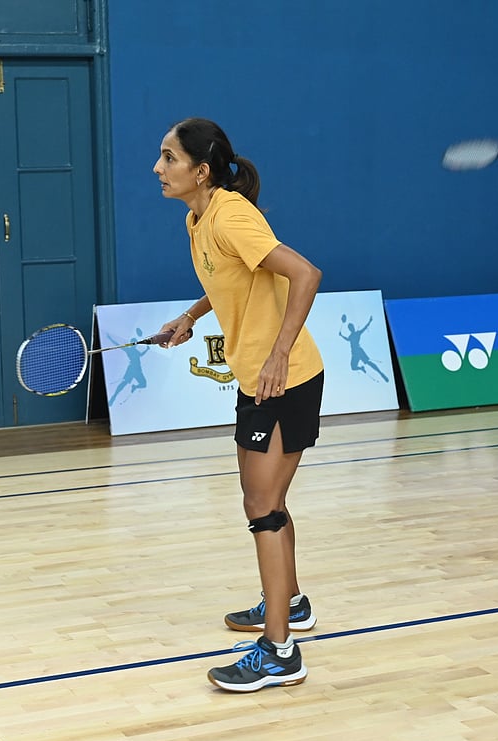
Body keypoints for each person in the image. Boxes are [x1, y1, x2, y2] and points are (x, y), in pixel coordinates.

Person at [153, 117, 325, 692]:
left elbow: (305, 274)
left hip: (286, 378)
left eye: (170, 158)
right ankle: (289, 602)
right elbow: (228, 277)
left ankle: (280, 652)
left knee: (261, 505)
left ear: (201, 171)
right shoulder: (198, 219)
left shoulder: (231, 215)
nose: (158, 168)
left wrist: (278, 355)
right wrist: (189, 317)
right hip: (255, 378)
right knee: (264, 499)